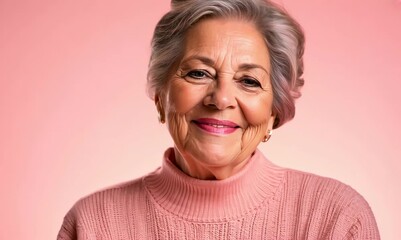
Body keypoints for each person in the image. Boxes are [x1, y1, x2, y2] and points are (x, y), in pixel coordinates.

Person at [57, 0, 380, 239]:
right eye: (199, 73)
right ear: (160, 96)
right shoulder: (93, 225)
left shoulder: (336, 218)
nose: (222, 99)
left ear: (273, 113)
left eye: (249, 81)